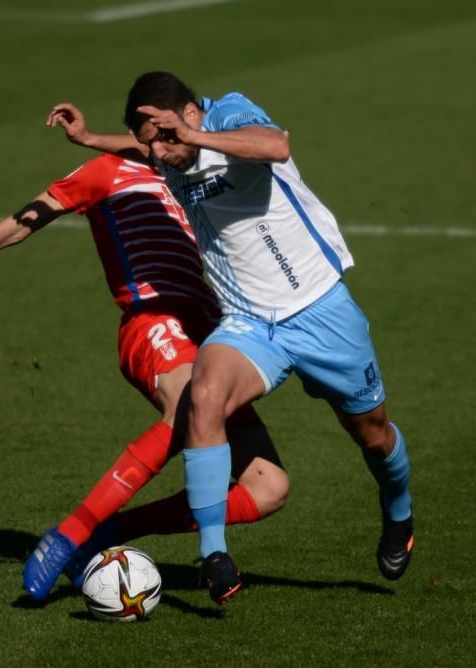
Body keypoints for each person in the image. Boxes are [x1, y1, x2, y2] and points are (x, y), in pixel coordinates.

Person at [0, 116, 289, 602]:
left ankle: (110, 532)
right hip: (153, 321)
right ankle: (70, 534)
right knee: (190, 407)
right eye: (155, 130)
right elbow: (18, 226)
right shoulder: (103, 174)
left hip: (214, 328)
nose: (170, 138)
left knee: (268, 486)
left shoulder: (182, 169)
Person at [56, 72, 414, 605]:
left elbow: (276, 145)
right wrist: (90, 141)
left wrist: (193, 139)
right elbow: (142, 144)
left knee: (372, 434)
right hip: (250, 323)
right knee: (205, 394)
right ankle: (214, 554)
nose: (155, 154)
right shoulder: (166, 147)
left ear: (184, 115)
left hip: (320, 309)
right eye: (149, 143)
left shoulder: (227, 114)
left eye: (160, 137)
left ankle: (398, 506)